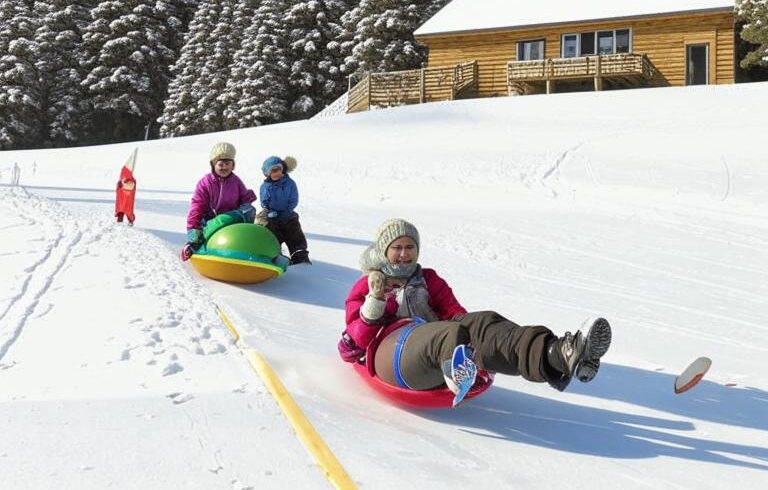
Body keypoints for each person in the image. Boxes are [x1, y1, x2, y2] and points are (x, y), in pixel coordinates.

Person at [337, 218, 611, 394]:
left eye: (410, 247)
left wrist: (480, 337)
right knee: (448, 334)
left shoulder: (428, 279)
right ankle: (458, 370)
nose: (405, 253)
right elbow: (348, 350)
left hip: (434, 351)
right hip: (392, 358)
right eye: (397, 247)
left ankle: (557, 354)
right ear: (384, 250)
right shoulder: (369, 284)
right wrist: (373, 306)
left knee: (481, 322)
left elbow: (458, 316)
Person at [181, 142, 257, 261]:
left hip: (232, 221)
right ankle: (194, 246)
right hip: (209, 222)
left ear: (233, 165)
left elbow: (245, 198)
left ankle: (248, 249)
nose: (224, 167)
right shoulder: (205, 182)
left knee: (246, 212)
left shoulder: (236, 182)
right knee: (221, 221)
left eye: (228, 164)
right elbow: (197, 205)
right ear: (213, 165)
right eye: (220, 164)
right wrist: (193, 228)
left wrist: (246, 208)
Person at [256, 155, 310, 265]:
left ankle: (299, 254)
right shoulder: (265, 186)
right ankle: (275, 253)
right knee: (271, 229)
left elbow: (293, 199)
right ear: (268, 173)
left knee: (294, 230)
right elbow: (264, 201)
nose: (276, 173)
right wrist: (269, 211)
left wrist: (287, 211)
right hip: (272, 215)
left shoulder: (290, 183)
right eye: (273, 171)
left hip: (288, 213)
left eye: (278, 170)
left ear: (283, 169)